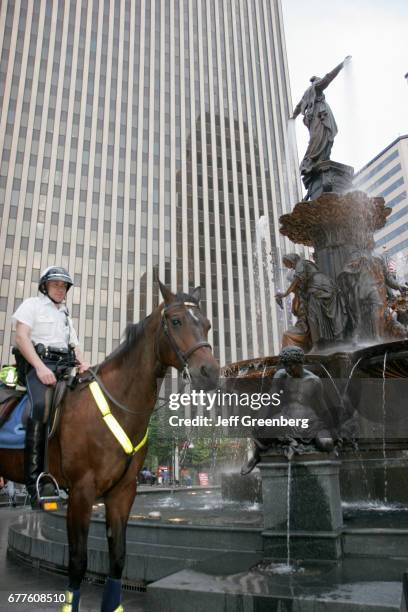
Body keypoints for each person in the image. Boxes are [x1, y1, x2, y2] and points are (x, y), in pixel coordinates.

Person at [12, 266, 90, 507]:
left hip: (64, 369)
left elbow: (74, 345)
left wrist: (83, 362)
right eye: (55, 284)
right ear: (45, 286)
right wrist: (39, 368)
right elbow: (21, 337)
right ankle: (35, 482)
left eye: (64, 285)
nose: (60, 288)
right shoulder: (32, 305)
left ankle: (67, 477)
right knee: (41, 407)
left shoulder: (65, 315)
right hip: (39, 366)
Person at [241, 346, 335, 475]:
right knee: (264, 431)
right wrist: (261, 419)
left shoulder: (314, 381)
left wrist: (332, 426)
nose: (288, 369)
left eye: (291, 366)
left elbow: (322, 407)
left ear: (300, 363)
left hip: (309, 422)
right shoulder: (281, 376)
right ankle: (256, 456)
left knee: (327, 444)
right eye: (286, 366)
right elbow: (270, 400)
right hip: (286, 418)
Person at [292, 57, 351, 181]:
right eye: (319, 81)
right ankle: (311, 161)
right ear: (316, 82)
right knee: (320, 138)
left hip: (318, 116)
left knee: (322, 138)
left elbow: (298, 107)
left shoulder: (306, 95)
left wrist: (293, 117)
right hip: (320, 115)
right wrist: (342, 65)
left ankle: (318, 160)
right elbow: (329, 77)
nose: (320, 82)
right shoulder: (315, 87)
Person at [276, 254, 346, 350]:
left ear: (290, 260)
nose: (286, 266)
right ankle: (322, 342)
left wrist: (284, 294)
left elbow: (296, 281)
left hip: (317, 285)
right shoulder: (304, 268)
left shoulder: (300, 263)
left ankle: (316, 345)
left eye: (286, 263)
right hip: (323, 285)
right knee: (318, 313)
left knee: (312, 314)